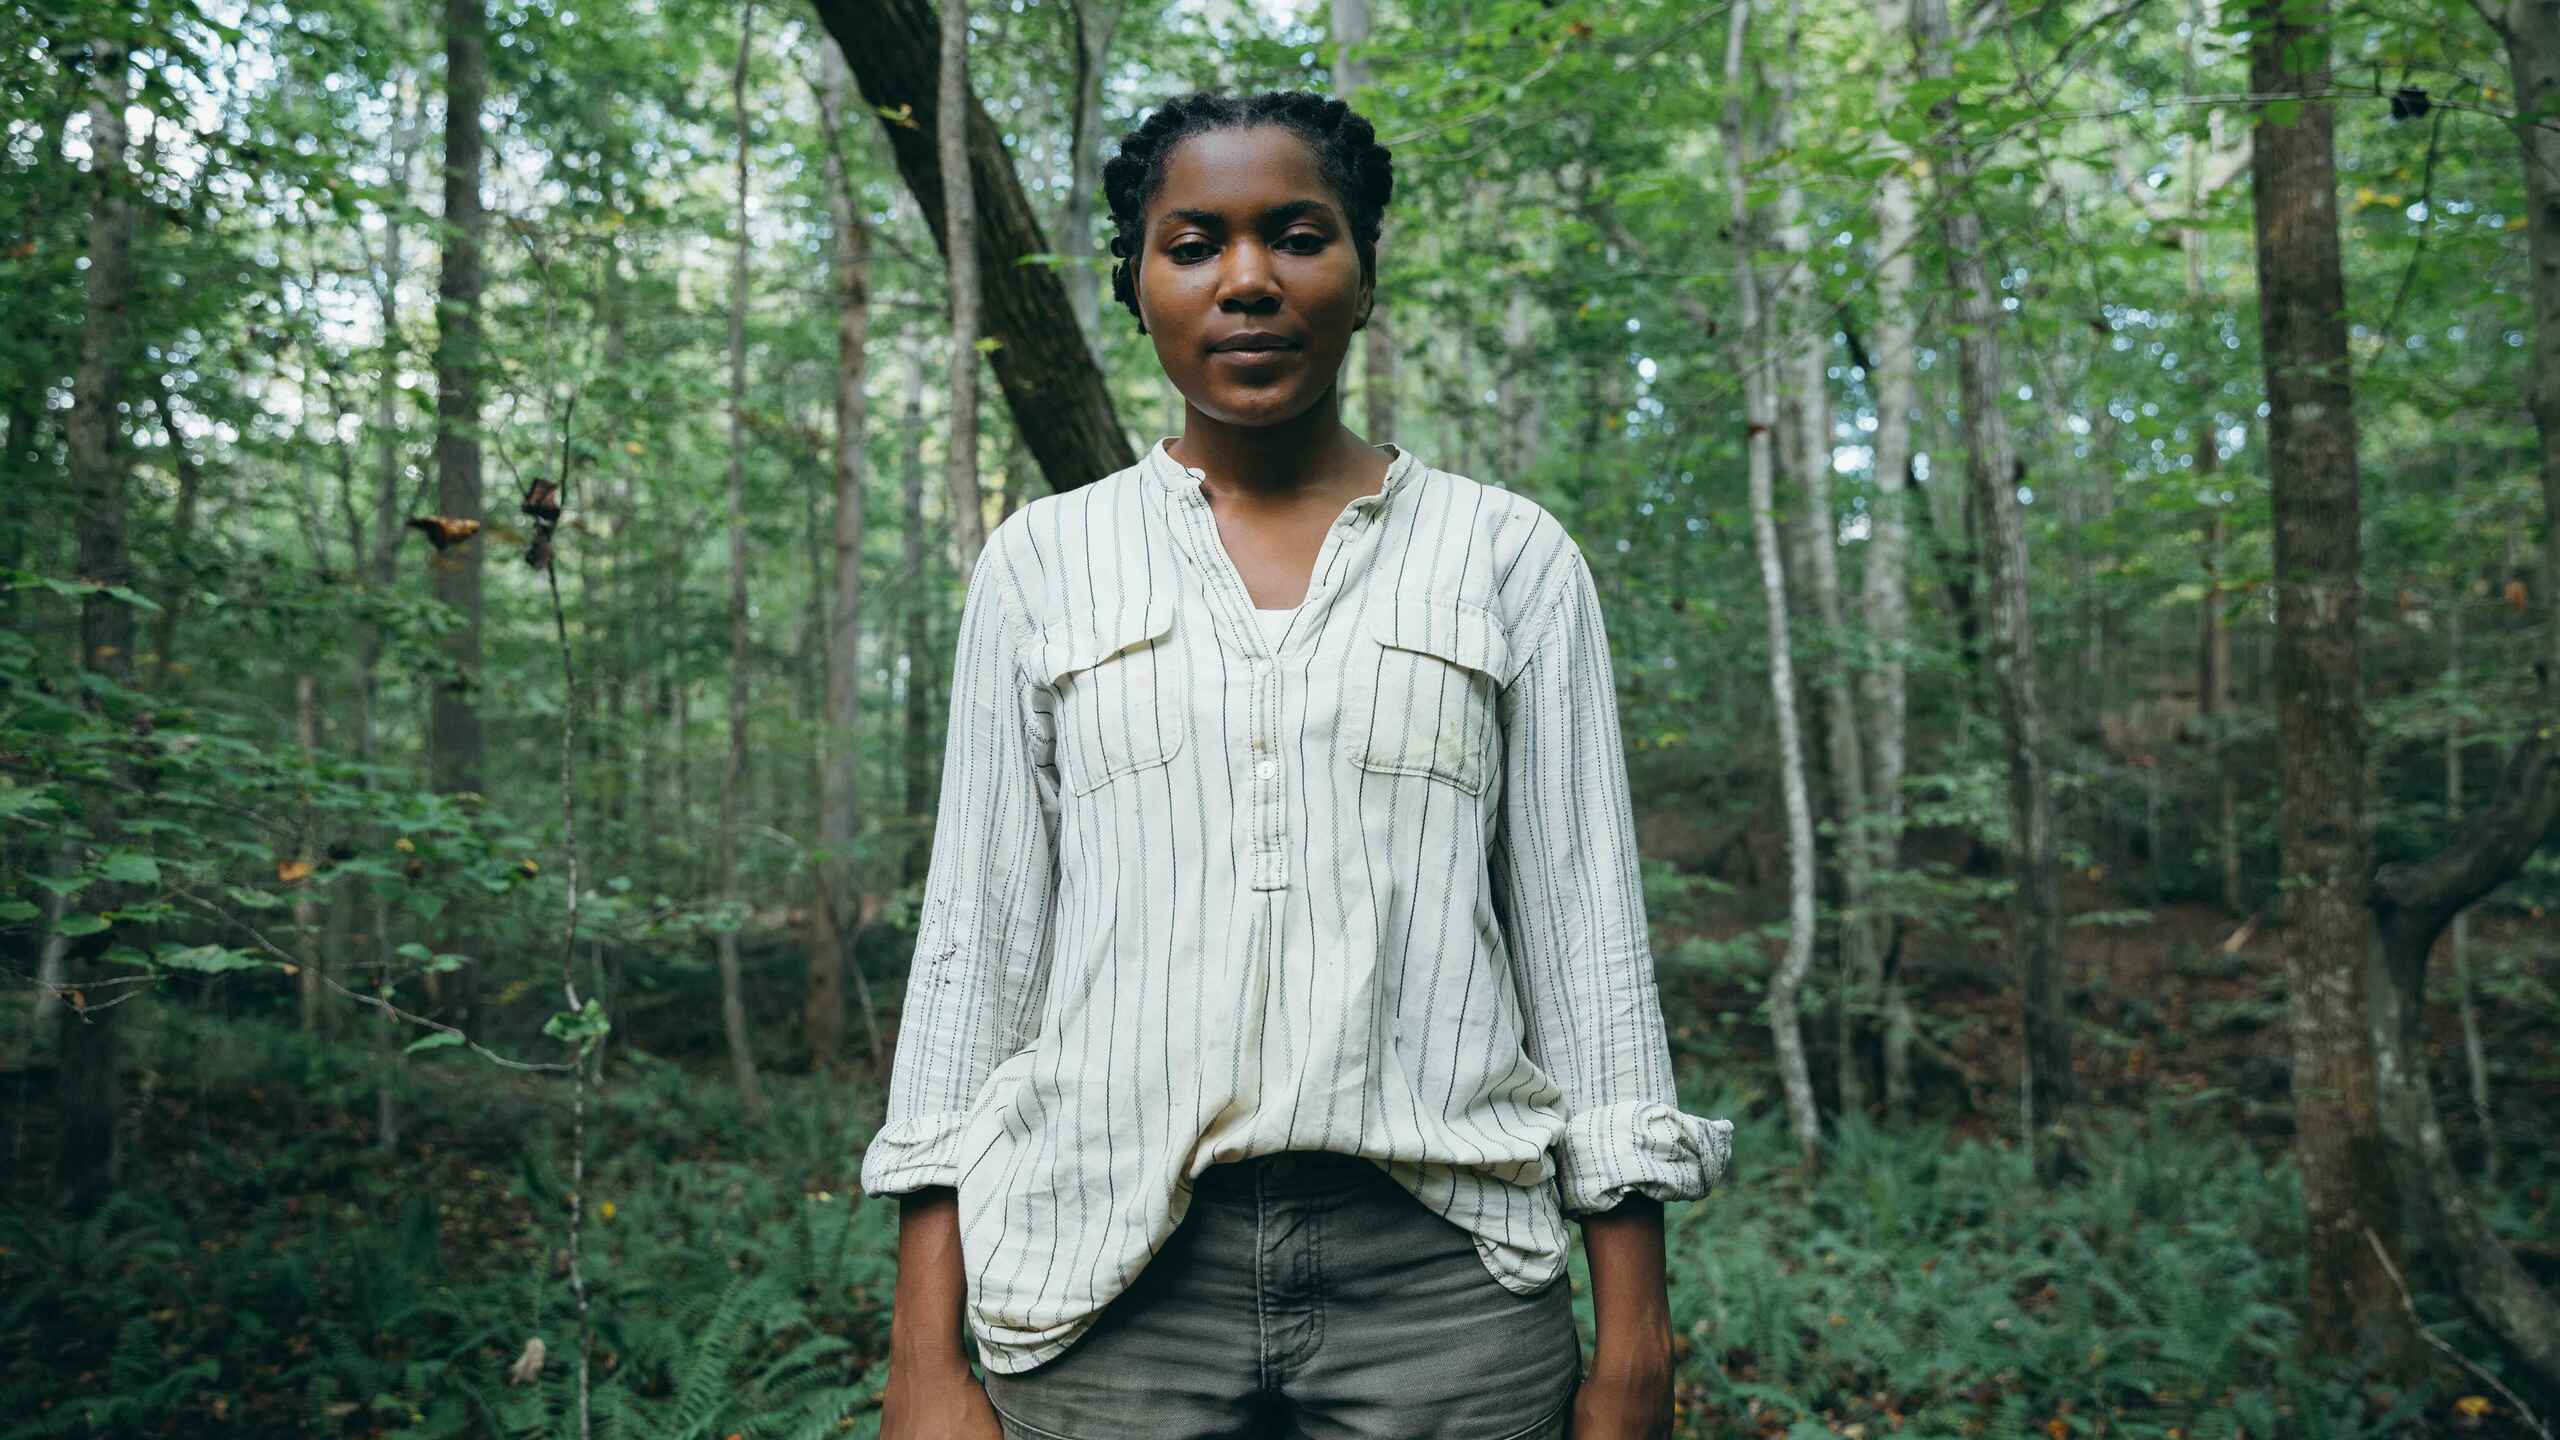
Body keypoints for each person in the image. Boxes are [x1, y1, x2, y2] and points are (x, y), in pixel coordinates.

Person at [862, 88, 1733, 1440]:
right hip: (1099, 1280)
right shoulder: (1045, 563)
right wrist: (925, 1356)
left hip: (1446, 1284)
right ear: (1136, 284)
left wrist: (1633, 1343)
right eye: (1195, 242)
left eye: (1299, 235)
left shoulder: (1507, 560)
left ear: (1366, 275)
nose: (1250, 280)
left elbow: (1589, 954)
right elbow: (977, 957)